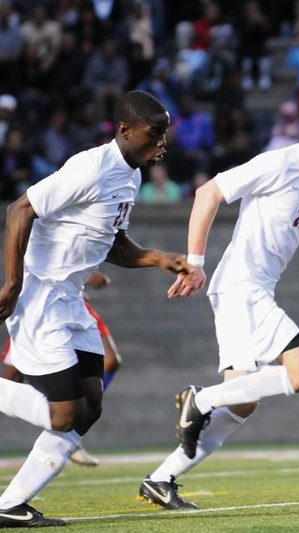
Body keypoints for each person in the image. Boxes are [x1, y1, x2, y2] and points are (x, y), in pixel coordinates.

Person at [138, 82, 299, 511]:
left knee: (242, 401)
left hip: (250, 290)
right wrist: (195, 261)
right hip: (241, 287)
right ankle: (200, 399)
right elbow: (208, 192)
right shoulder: (281, 162)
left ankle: (160, 479)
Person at [0, 90, 193, 528]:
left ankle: (10, 505)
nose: (162, 142)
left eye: (165, 134)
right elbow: (19, 210)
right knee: (65, 413)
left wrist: (157, 258)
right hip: (42, 297)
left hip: (71, 300)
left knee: (90, 407)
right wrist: (12, 284)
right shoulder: (90, 168)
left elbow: (113, 242)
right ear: (124, 130)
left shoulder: (131, 176)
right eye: (154, 133)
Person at [0, 270, 122, 468]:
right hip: (40, 305)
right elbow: (41, 257)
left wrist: (155, 258)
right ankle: (68, 423)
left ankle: (71, 429)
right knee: (11, 379)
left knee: (109, 363)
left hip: (75, 302)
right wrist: (88, 275)